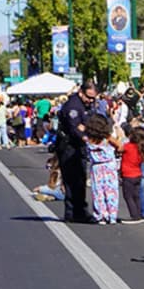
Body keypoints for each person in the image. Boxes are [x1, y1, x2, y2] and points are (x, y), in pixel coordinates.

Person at [56, 83, 95, 223]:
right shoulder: (73, 106)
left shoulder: (85, 105)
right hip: (69, 147)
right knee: (73, 179)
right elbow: (75, 128)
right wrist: (87, 137)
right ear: (81, 92)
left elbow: (87, 123)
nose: (91, 100)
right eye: (89, 97)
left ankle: (78, 211)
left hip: (77, 147)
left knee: (79, 179)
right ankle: (74, 212)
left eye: (93, 98)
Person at [83, 114, 120, 225]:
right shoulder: (107, 137)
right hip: (109, 165)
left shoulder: (88, 140)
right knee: (111, 190)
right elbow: (120, 146)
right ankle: (112, 215)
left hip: (96, 166)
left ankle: (100, 215)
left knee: (98, 191)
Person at [119, 125, 144, 224]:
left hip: (128, 175)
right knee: (136, 195)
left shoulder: (128, 147)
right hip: (137, 174)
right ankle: (139, 213)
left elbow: (118, 148)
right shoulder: (141, 148)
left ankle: (134, 215)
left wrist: (120, 136)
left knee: (128, 196)